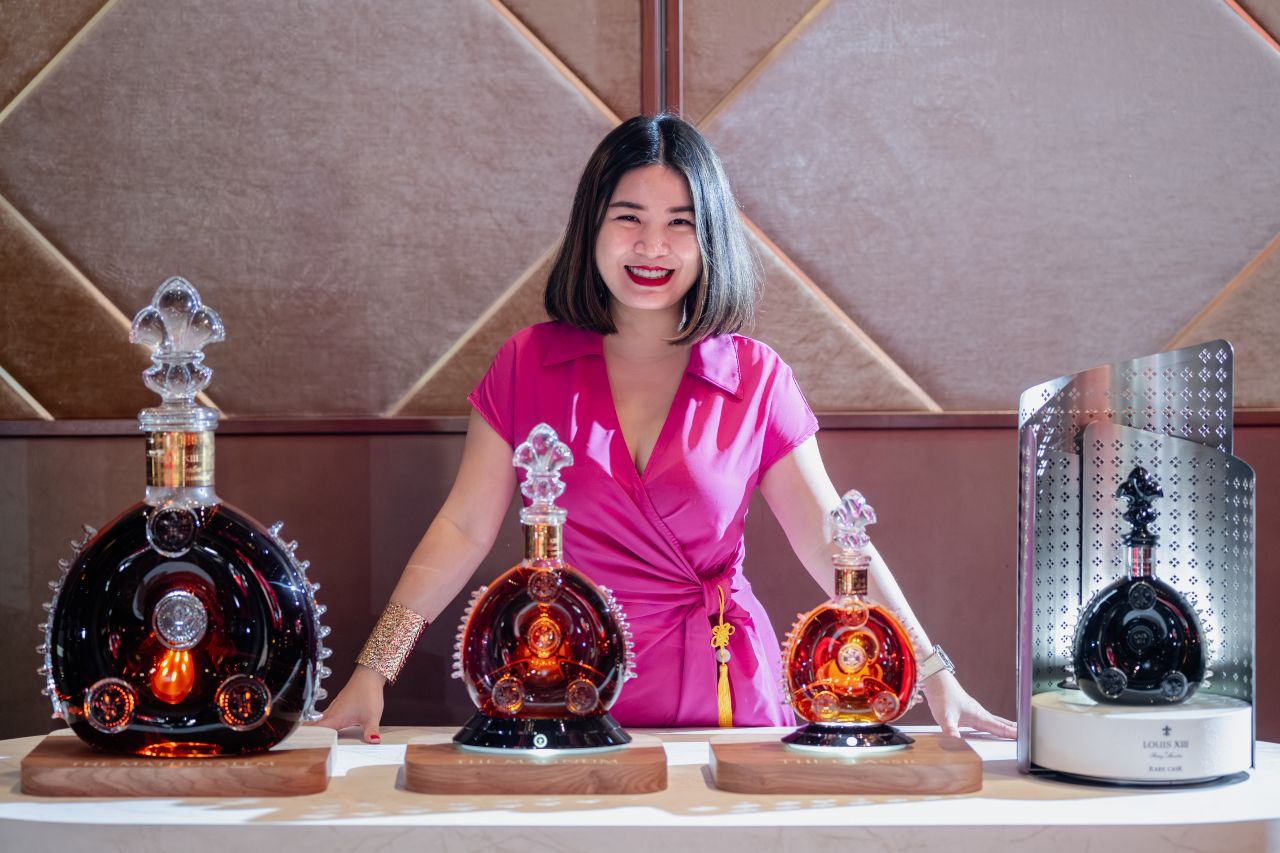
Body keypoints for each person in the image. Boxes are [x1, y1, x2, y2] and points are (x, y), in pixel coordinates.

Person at [319, 114, 1016, 742]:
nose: (653, 245)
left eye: (681, 221)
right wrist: (375, 666)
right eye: (630, 217)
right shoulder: (526, 362)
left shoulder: (755, 375)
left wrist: (929, 667)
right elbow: (463, 528)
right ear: (592, 223)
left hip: (721, 688)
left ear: (709, 234)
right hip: (569, 681)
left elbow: (834, 537)